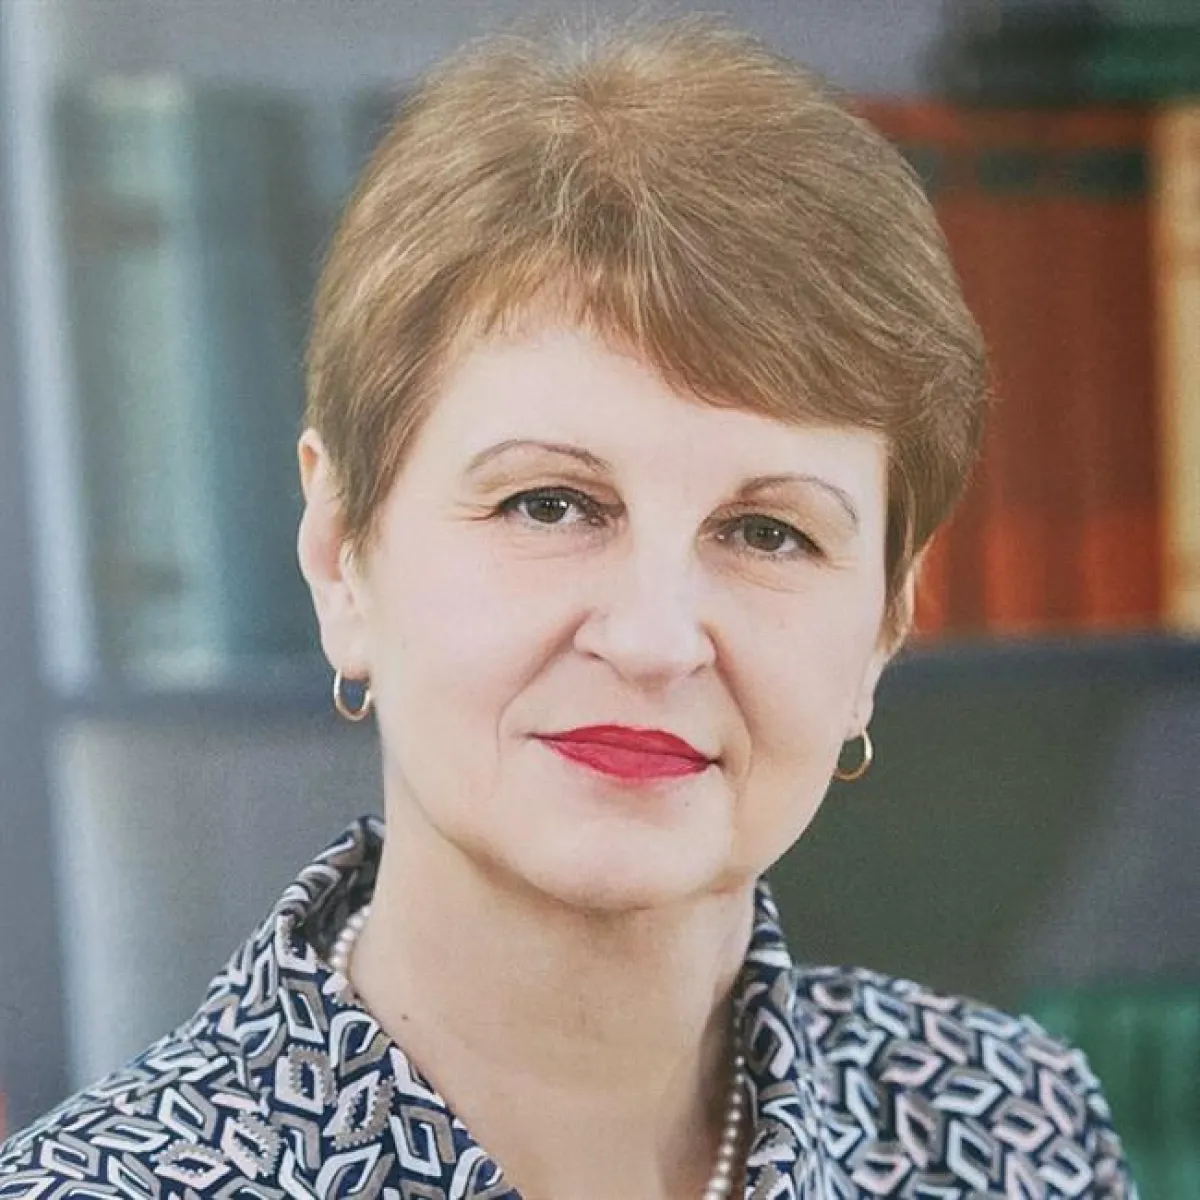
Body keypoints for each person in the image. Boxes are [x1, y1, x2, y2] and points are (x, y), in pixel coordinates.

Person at [1, 16, 1136, 1200]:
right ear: (341, 554)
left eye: (768, 532)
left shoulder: (1014, 1137)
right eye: (549, 505)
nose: (654, 639)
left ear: (884, 628)